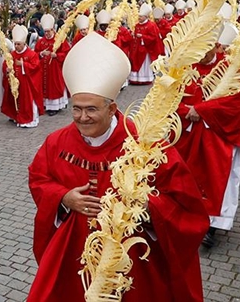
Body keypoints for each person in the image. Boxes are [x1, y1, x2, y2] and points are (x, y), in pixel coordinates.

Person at [28, 32, 209, 301]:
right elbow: (39, 179)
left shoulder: (145, 144)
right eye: (76, 109)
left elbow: (185, 202)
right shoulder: (57, 141)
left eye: (91, 110)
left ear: (112, 108)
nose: (82, 117)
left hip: (132, 252)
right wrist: (64, 197)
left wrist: (144, 205)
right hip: (74, 246)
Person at [173, 24, 240, 248]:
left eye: (205, 49)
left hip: (219, 135)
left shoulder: (233, 68)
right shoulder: (184, 68)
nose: (199, 54)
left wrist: (203, 111)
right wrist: (185, 111)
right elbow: (169, 95)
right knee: (184, 176)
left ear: (217, 46)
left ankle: (213, 226)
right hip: (186, 132)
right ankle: (184, 218)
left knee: (218, 181)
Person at [2, 25, 44, 128]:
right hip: (15, 83)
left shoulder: (31, 54)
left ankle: (29, 119)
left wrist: (23, 65)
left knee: (26, 101)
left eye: (18, 44)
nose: (16, 46)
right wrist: (7, 70)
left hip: (27, 84)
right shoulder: (12, 54)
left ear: (24, 43)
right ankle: (16, 116)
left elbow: (36, 67)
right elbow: (5, 65)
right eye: (15, 44)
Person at [34, 14, 69, 116]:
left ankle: (55, 106)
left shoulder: (59, 40)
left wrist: (57, 55)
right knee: (45, 86)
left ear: (53, 29)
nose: (47, 34)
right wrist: (41, 53)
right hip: (43, 69)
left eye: (48, 31)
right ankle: (46, 105)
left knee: (54, 86)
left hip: (55, 69)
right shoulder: (41, 41)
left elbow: (66, 52)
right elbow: (35, 54)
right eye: (45, 32)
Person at [127, 3, 162, 85]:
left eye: (141, 17)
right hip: (137, 48)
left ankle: (145, 78)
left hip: (146, 49)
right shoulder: (137, 25)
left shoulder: (151, 25)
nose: (139, 18)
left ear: (146, 17)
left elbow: (153, 37)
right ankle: (135, 78)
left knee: (144, 65)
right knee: (135, 62)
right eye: (139, 17)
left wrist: (143, 37)